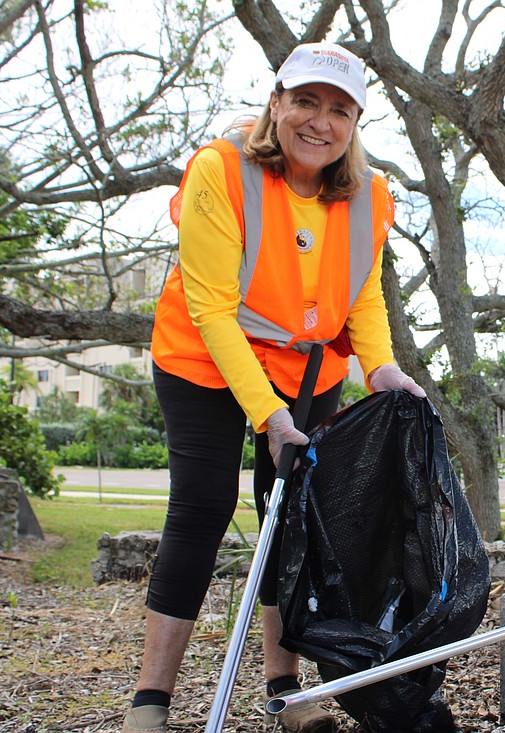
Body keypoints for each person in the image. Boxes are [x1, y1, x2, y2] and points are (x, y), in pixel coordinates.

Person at [122, 42, 426, 733]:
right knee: (201, 509)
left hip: (307, 368)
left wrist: (380, 368)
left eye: (339, 110)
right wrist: (267, 415)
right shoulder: (219, 171)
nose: (320, 122)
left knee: (292, 524)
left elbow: (364, 296)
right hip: (204, 358)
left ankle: (285, 688)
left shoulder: (370, 195)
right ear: (276, 103)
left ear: (356, 122)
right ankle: (150, 701)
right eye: (306, 102)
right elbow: (211, 306)